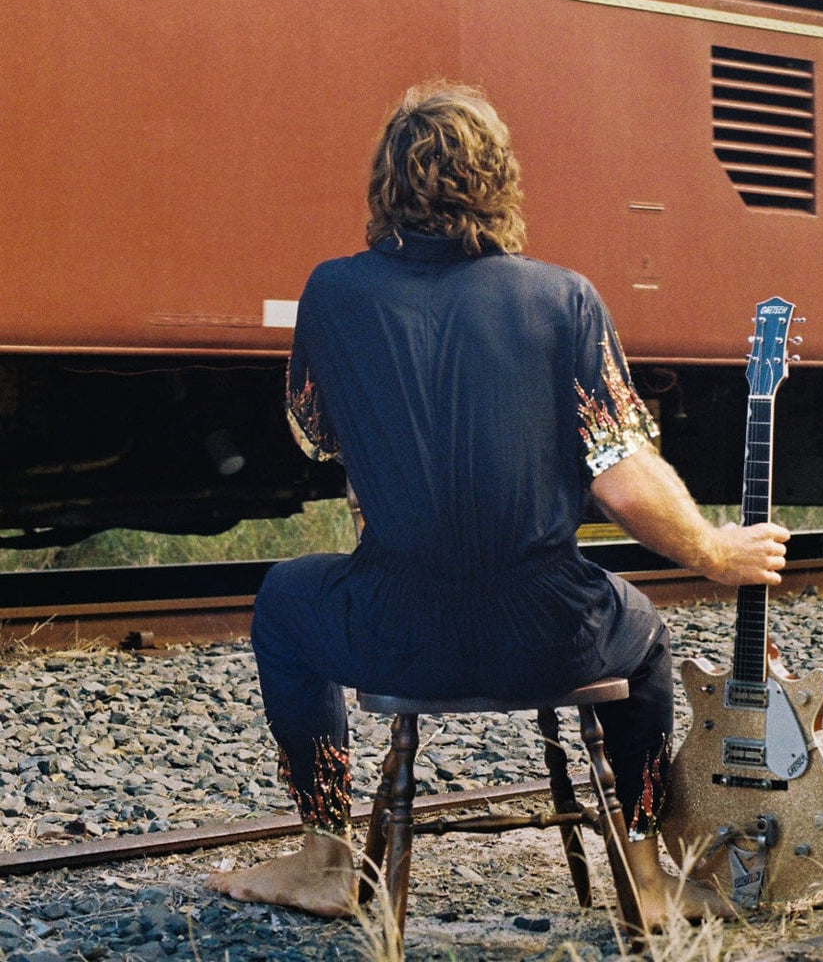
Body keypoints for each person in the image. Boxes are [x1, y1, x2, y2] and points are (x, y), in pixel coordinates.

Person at [208, 82, 788, 928]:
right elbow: (621, 474)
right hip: (549, 638)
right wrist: (713, 550)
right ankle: (645, 872)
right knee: (643, 637)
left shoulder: (332, 293)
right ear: (499, 184)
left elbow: (315, 433)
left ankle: (328, 858)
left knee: (284, 601)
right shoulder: (562, 299)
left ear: (385, 189)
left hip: (393, 636)